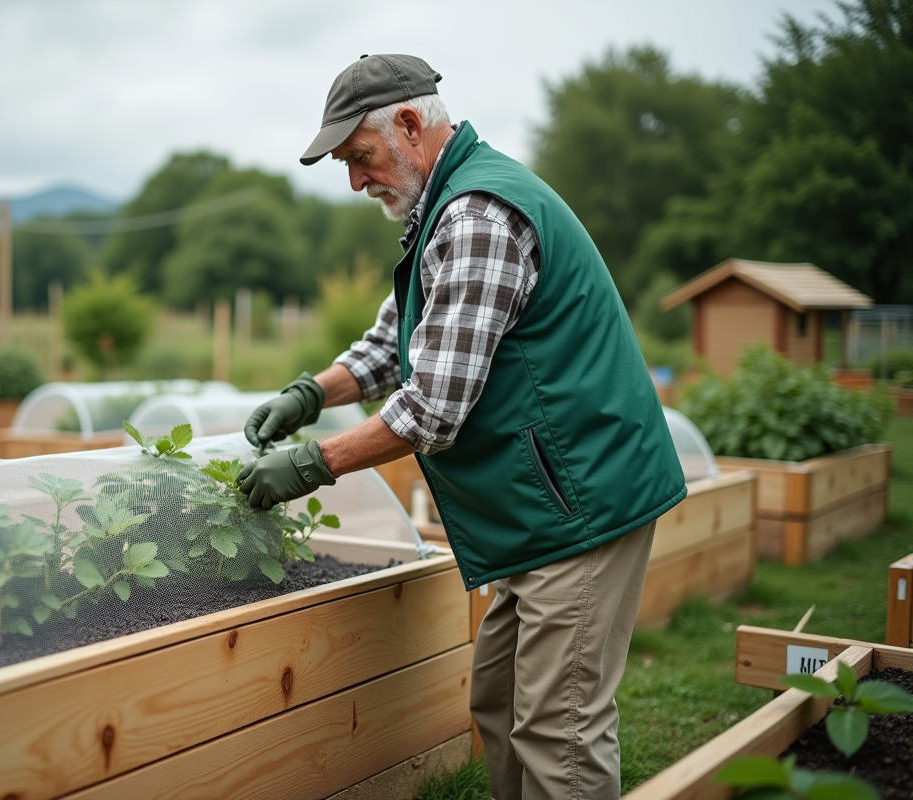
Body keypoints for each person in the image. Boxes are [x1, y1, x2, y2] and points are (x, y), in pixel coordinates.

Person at [237, 54, 686, 800]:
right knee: (502, 705)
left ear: (409, 125)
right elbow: (394, 344)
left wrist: (313, 463)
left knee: (558, 729)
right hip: (548, 504)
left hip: (583, 501)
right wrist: (309, 393)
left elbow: (433, 407)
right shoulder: (442, 209)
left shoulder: (479, 215)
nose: (355, 181)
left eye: (361, 157)